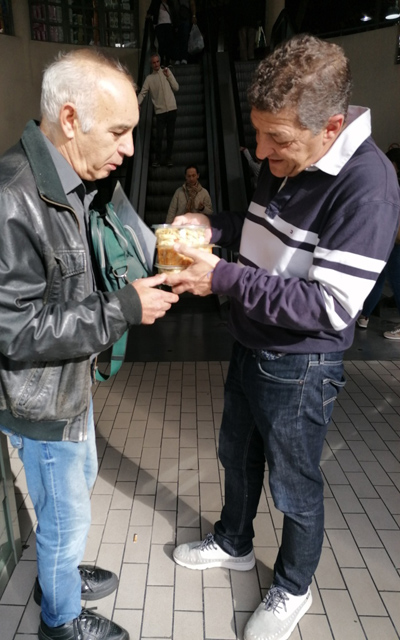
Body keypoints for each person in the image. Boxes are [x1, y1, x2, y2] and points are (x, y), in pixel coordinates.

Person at [164, 34, 400, 640]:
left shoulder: (367, 187)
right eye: (259, 134)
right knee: (235, 454)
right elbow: (261, 228)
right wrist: (211, 225)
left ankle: (294, 586)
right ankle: (234, 542)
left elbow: (330, 306)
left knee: (295, 484)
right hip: (251, 342)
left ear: (331, 125)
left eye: (279, 140)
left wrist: (221, 276)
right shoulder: (288, 158)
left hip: (301, 365)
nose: (263, 153)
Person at [0, 48, 178, 640]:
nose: (129, 148)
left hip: (68, 382)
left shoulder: (75, 180)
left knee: (73, 495)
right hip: (40, 399)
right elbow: (17, 330)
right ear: (71, 119)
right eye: (119, 131)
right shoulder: (8, 198)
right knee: (65, 515)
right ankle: (59, 620)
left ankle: (59, 571)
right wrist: (125, 307)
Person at [357, 146, 400, 339]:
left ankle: (365, 316)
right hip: (391, 238)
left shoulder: (393, 182)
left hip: (392, 238)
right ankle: (364, 315)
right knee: (382, 277)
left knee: (390, 279)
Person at [138, 53, 179, 168]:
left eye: (157, 62)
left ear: (160, 62)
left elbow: (176, 87)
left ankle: (169, 158)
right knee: (159, 136)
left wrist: (169, 76)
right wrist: (136, 104)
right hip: (160, 112)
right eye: (154, 62)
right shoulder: (149, 79)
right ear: (151, 64)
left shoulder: (166, 72)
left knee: (170, 135)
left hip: (172, 109)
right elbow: (143, 93)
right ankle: (157, 159)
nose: (156, 64)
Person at [146, 0, 176, 67]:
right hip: (160, 25)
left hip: (168, 24)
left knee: (168, 43)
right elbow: (151, 10)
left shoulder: (170, 3)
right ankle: (162, 61)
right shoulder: (156, 3)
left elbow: (174, 13)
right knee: (161, 43)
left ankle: (168, 60)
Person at [174, 0, 197, 64]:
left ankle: (183, 57)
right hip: (178, 17)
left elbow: (192, 3)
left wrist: (194, 15)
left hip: (183, 16)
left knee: (184, 37)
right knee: (179, 38)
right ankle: (180, 57)